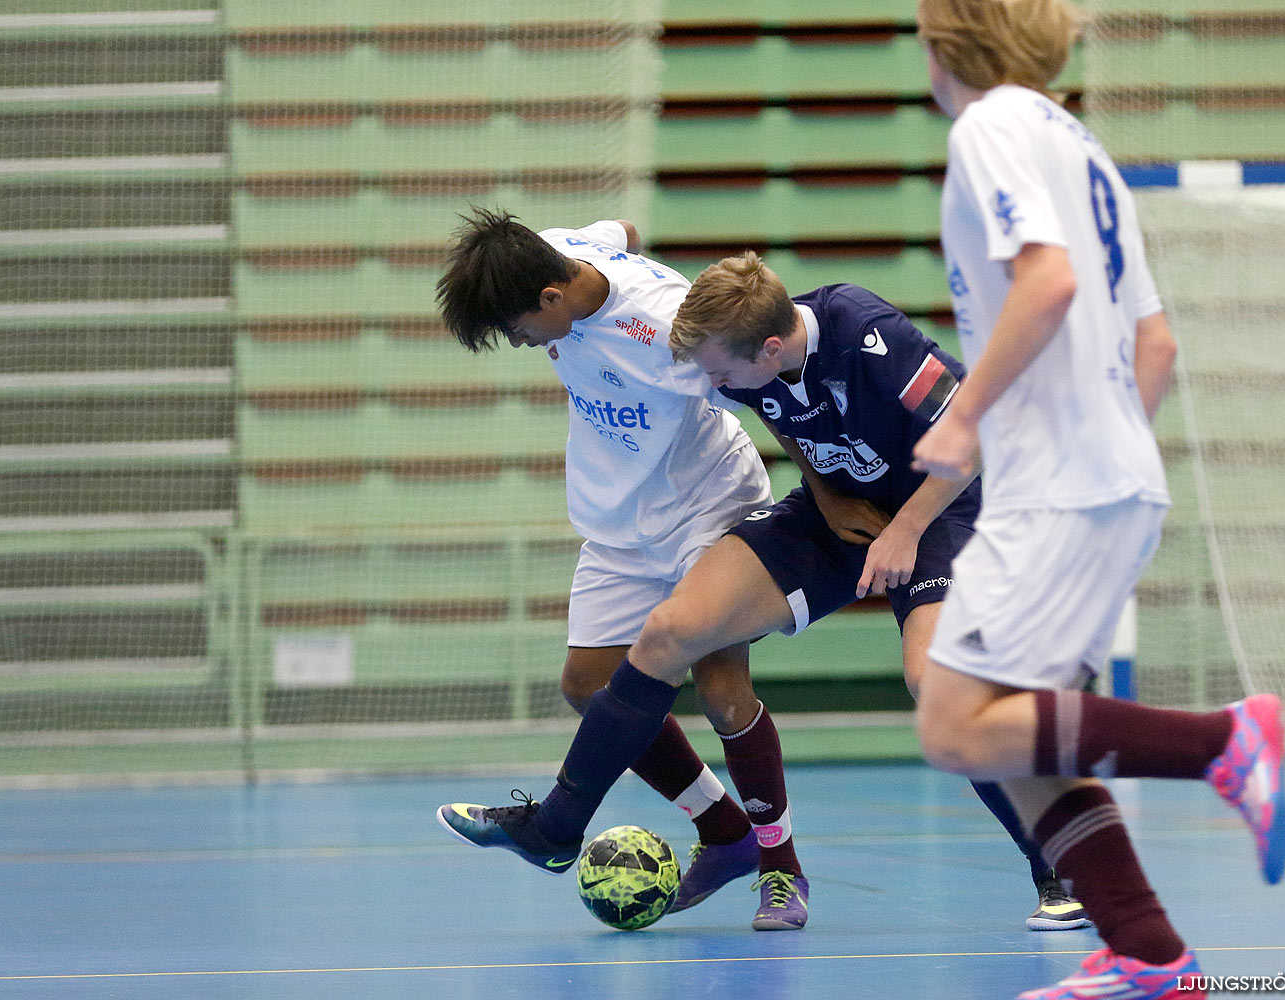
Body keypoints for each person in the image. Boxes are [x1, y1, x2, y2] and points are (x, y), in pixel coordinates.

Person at [439, 243, 1092, 933]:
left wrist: (906, 528)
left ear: (770, 347)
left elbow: (976, 432)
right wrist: (828, 498)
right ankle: (557, 828)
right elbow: (795, 427)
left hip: (942, 509)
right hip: (837, 510)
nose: (704, 384)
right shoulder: (739, 365)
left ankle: (1057, 860)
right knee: (668, 632)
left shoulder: (866, 334)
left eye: (715, 372)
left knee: (936, 687)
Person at [909, 2, 1285, 998]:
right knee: (1025, 731)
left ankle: (1225, 741)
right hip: (1111, 477)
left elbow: (1046, 284)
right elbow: (1153, 342)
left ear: (944, 44)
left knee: (955, 727)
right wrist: (1108, 455)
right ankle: (1151, 953)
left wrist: (966, 420)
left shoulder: (990, 125)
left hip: (1057, 488)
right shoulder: (1080, 144)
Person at [433, 209, 778, 925]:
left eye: (520, 328)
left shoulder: (663, 328)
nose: (522, 342)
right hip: (621, 521)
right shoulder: (556, 250)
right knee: (588, 684)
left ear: (552, 299)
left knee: (720, 686)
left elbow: (762, 386)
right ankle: (725, 833)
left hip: (705, 505)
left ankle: (781, 865)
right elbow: (622, 228)